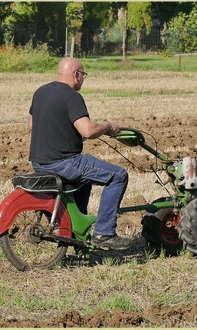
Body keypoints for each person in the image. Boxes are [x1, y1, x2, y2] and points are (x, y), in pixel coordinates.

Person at [29, 58, 136, 251]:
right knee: (118, 175)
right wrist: (107, 126)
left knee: (84, 182)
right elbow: (88, 131)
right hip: (63, 163)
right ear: (76, 74)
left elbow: (31, 125)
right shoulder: (71, 96)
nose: (83, 79)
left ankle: (77, 236)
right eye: (83, 75)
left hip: (39, 163)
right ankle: (105, 233)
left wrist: (66, 133)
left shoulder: (40, 92)